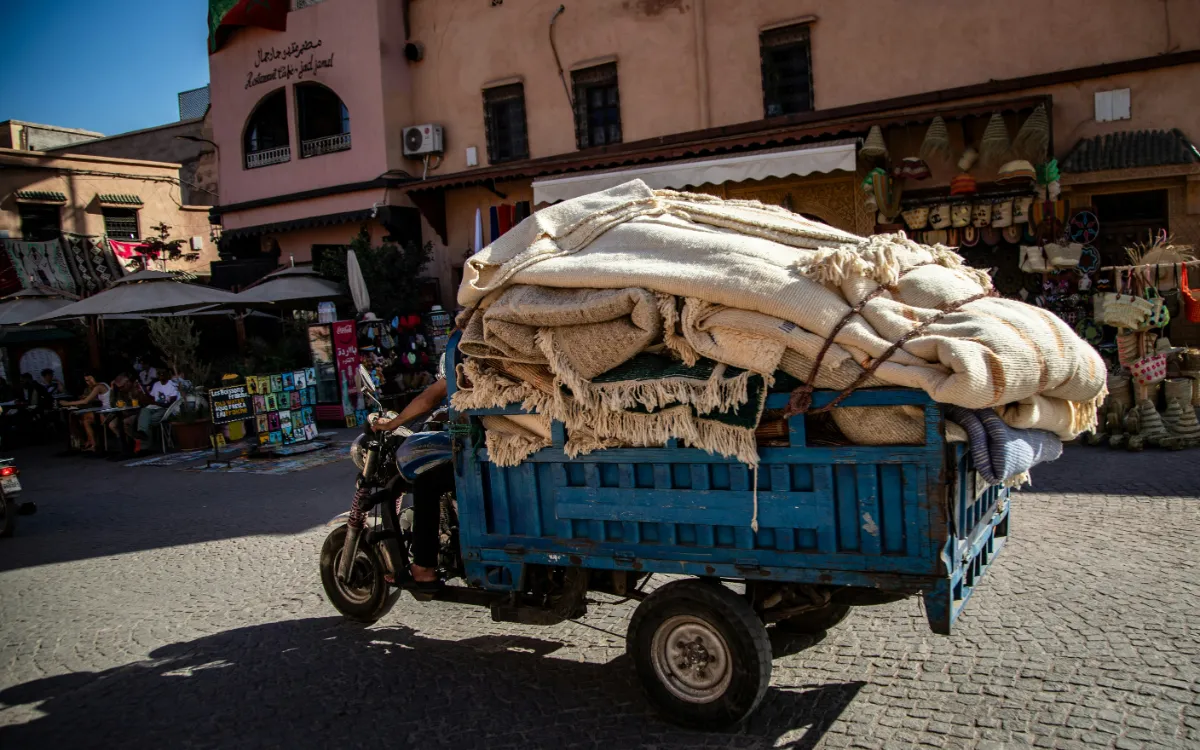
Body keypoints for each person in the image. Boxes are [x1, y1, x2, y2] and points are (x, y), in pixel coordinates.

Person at [370, 376, 450, 587]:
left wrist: (393, 423)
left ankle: (423, 567)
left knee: (426, 484)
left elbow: (430, 397)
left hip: (486, 449)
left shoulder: (466, 351)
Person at [60, 372, 110, 452]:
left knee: (85, 420)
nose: (89, 382)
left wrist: (67, 403)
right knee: (82, 418)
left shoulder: (99, 386)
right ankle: (89, 442)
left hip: (107, 412)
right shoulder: (101, 385)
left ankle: (93, 444)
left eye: (91, 379)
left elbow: (85, 402)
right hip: (104, 410)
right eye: (87, 381)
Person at [135, 369, 179, 445]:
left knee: (146, 420)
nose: (161, 375)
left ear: (167, 375)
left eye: (163, 373)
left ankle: (145, 447)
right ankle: (142, 432)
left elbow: (170, 404)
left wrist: (154, 402)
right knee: (144, 410)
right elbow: (151, 398)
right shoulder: (156, 384)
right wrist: (144, 393)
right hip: (155, 407)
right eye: (159, 374)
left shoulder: (172, 384)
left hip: (166, 409)